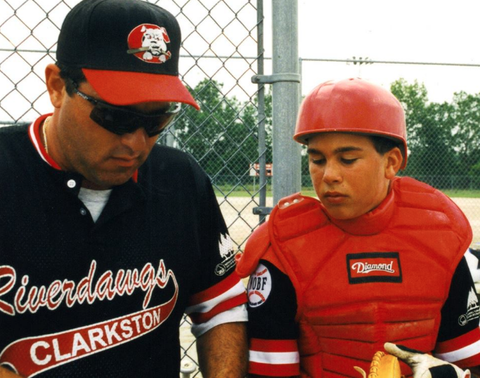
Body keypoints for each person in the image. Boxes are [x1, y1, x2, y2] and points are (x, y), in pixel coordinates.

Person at [0, 0, 248, 377]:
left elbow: (221, 306)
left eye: (156, 119)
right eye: (115, 116)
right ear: (56, 86)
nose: (136, 143)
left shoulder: (180, 180)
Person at [236, 78, 480, 377]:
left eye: (347, 159)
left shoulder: (440, 234)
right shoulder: (285, 249)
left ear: (391, 162)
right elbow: (269, 374)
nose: (328, 175)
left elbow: (470, 363)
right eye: (316, 159)